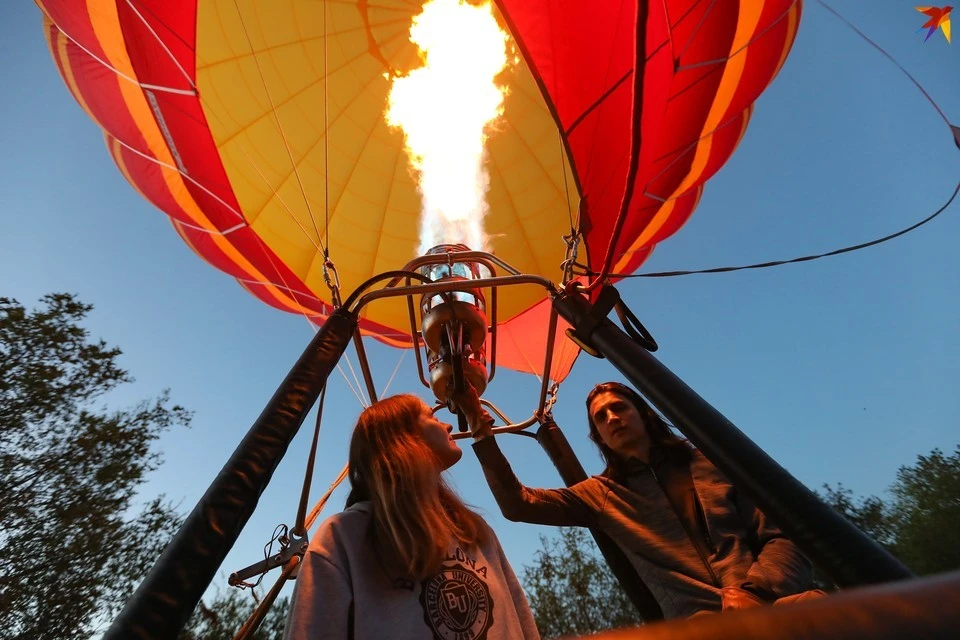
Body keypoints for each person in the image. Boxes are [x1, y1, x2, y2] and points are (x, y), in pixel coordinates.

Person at [463, 381, 823, 620]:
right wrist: (482, 434)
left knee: (833, 611)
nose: (612, 418)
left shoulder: (710, 462)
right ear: (598, 437)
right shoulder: (601, 494)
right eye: (601, 417)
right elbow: (518, 504)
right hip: (699, 627)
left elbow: (780, 536)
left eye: (619, 407)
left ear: (644, 415)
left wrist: (754, 592)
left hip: (772, 606)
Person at [284, 394, 540, 640]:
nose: (448, 423)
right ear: (402, 437)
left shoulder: (475, 531)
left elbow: (524, 627)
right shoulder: (342, 539)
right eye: (431, 416)